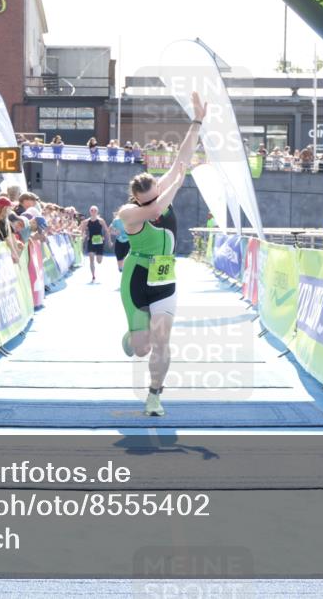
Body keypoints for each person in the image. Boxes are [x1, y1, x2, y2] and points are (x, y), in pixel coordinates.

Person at [118, 91, 206, 416]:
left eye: (154, 193)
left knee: (162, 339)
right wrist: (176, 185)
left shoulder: (161, 189)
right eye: (145, 202)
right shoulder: (129, 212)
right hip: (137, 278)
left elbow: (182, 158)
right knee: (141, 349)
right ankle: (132, 337)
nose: (150, 206)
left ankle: (154, 394)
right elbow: (159, 206)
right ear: (135, 201)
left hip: (163, 273)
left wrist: (197, 121)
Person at [80, 205, 109, 282]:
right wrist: (82, 238)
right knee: (91, 260)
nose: (93, 212)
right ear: (89, 211)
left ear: (97, 212)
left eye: (95, 210)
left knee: (99, 261)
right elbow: (82, 231)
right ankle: (93, 276)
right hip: (91, 242)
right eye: (92, 210)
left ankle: (98, 256)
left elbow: (106, 230)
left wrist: (108, 240)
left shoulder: (101, 221)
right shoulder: (86, 222)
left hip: (99, 242)